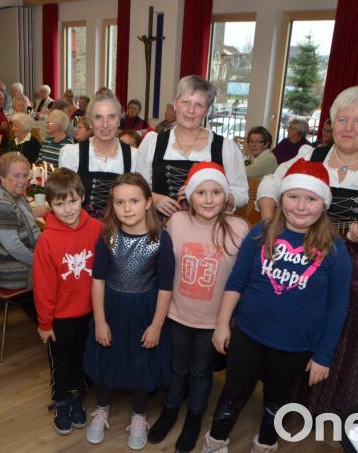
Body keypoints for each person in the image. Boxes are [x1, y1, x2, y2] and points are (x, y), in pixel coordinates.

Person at [256, 86, 358, 416]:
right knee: (297, 324)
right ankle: (285, 399)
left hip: (356, 264)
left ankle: (329, 404)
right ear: (331, 122)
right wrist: (270, 218)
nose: (348, 128)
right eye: (342, 119)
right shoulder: (310, 155)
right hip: (302, 256)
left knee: (341, 332)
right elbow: (271, 181)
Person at [200, 159, 351, 453]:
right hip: (248, 335)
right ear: (281, 198)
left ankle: (266, 442)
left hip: (295, 346)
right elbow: (236, 282)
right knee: (233, 392)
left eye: (311, 199)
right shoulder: (260, 233)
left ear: (324, 203)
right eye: (293, 197)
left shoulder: (334, 248)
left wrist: (324, 356)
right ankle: (216, 440)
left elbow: (338, 306)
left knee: (276, 401)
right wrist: (221, 324)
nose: (301, 206)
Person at [148, 162, 249, 452]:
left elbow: (243, 278)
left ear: (225, 196)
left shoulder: (239, 228)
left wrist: (229, 322)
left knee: (200, 371)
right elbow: (163, 265)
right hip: (178, 313)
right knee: (177, 367)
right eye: (201, 192)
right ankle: (169, 411)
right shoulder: (177, 222)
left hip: (213, 320)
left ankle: (194, 418)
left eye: (215, 192)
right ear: (189, 195)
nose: (208, 199)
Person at [83, 172, 174, 451]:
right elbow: (97, 279)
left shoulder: (161, 239)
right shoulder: (107, 235)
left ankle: (139, 414)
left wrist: (157, 325)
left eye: (134, 200)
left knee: (141, 361)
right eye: (120, 202)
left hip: (145, 310)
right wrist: (100, 320)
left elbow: (165, 287)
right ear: (113, 204)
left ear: (148, 202)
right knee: (106, 356)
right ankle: (102, 408)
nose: (127, 208)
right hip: (111, 308)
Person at [32, 168, 103, 435]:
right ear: (49, 206)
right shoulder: (47, 240)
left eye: (72, 201)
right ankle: (61, 400)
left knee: (81, 360)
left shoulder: (97, 229)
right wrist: (44, 323)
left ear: (82, 197)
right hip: (59, 318)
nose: (68, 209)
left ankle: (77, 398)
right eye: (60, 204)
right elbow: (43, 287)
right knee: (60, 363)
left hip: (89, 314)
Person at [136, 75, 248, 218]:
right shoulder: (152, 143)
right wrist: (154, 199)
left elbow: (241, 194)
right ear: (175, 104)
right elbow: (137, 187)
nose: (191, 110)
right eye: (186, 102)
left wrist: (217, 199)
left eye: (199, 105)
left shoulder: (225, 148)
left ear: (206, 111)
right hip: (159, 230)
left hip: (207, 231)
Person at [0, 152, 41, 323]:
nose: (22, 180)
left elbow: (28, 225)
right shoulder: (1, 205)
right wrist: (42, 261)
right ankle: (51, 323)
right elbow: (14, 248)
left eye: (25, 175)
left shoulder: (11, 195)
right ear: (2, 176)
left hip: (8, 261)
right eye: (16, 176)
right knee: (64, 273)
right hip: (10, 269)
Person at [59, 91, 137, 219]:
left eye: (112, 117)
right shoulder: (73, 153)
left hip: (121, 233)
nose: (105, 124)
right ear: (90, 122)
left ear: (119, 121)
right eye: (98, 117)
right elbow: (63, 202)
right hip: (82, 233)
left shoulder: (134, 156)